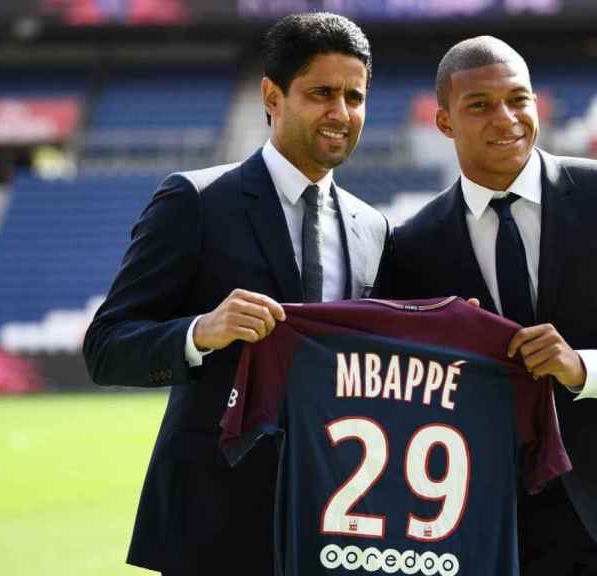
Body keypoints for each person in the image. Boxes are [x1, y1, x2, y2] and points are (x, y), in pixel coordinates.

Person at [373, 36, 597, 576]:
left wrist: (585, 367)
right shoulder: (413, 245)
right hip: (493, 530)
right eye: (479, 105)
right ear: (444, 123)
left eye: (518, 99)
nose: (505, 118)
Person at [83, 13, 387, 576]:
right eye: (322, 93)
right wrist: (201, 332)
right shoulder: (195, 200)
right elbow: (105, 347)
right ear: (272, 94)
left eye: (355, 96)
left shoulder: (373, 227)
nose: (341, 114)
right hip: (214, 524)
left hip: (337, 521)